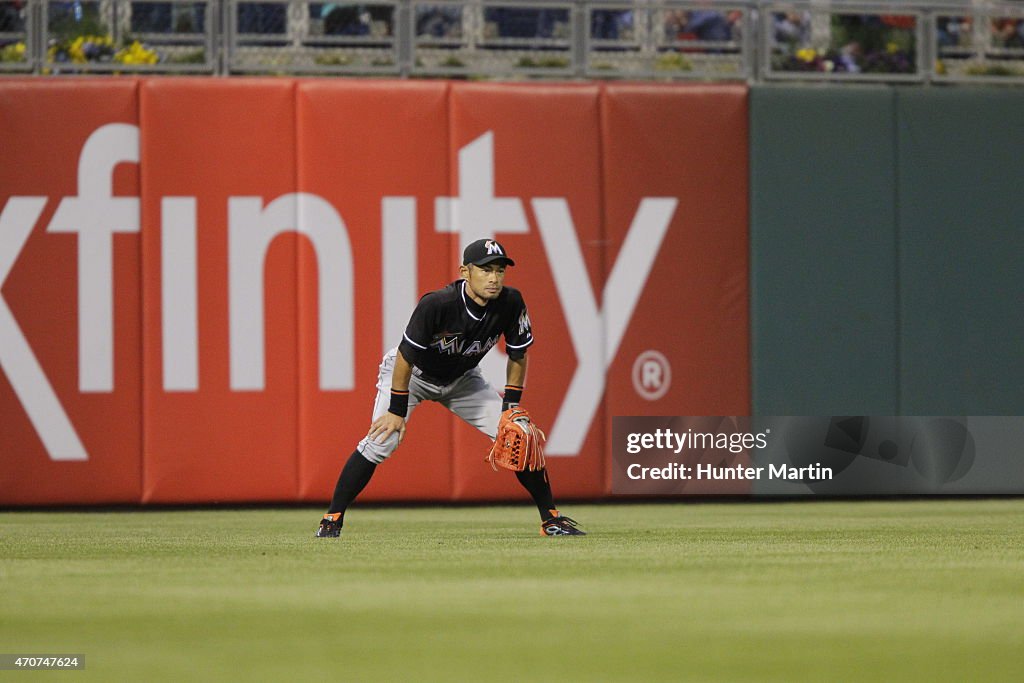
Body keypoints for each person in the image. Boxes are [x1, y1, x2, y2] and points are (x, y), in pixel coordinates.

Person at [316, 239, 585, 538]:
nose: (494, 278)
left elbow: (518, 353)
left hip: (462, 379)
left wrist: (511, 405)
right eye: (484, 270)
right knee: (382, 440)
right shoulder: (438, 304)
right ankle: (332, 519)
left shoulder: (511, 302)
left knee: (520, 436)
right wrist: (396, 410)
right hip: (412, 374)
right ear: (465, 272)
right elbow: (406, 355)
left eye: (499, 270)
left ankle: (552, 520)